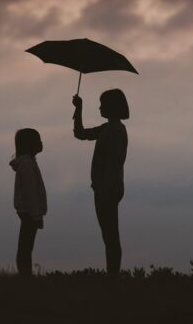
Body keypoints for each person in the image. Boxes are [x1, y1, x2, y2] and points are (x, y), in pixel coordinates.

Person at [72, 89, 129, 275]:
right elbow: (80, 133)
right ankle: (112, 274)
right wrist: (78, 109)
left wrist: (105, 189)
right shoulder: (108, 128)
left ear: (112, 107)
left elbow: (113, 163)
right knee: (108, 235)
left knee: (110, 235)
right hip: (105, 188)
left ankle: (113, 276)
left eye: (103, 104)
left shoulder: (115, 130)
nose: (99, 107)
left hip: (108, 189)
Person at [9, 128, 47, 277]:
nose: (41, 143)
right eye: (38, 140)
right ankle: (25, 275)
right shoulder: (27, 165)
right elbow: (31, 192)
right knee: (25, 247)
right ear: (30, 144)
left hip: (29, 212)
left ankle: (25, 275)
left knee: (26, 246)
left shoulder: (28, 163)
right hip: (29, 212)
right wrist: (36, 215)